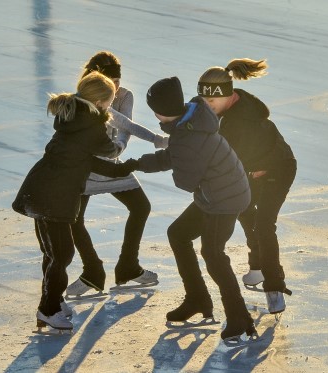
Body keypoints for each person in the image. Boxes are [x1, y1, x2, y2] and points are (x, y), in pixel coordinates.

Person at [106, 76, 256, 342]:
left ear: (161, 111)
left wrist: (167, 161)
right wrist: (136, 164)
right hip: (216, 193)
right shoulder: (189, 121)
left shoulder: (187, 135)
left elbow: (185, 180)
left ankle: (238, 315)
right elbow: (174, 155)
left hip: (225, 199)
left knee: (213, 253)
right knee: (178, 233)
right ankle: (197, 299)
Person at [12, 71, 123, 332]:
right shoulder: (93, 125)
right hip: (55, 196)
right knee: (61, 254)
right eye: (110, 102)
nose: (110, 107)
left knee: (54, 254)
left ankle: (53, 302)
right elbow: (109, 150)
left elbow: (83, 157)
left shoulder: (71, 115)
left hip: (40, 188)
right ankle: (48, 310)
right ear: (100, 103)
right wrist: (119, 140)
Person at [197, 58, 296, 314]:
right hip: (253, 168)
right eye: (204, 101)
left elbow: (228, 160)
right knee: (243, 210)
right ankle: (257, 266)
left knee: (263, 223)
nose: (208, 107)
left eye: (211, 102)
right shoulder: (232, 104)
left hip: (278, 167)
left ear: (228, 95)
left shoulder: (239, 123)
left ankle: (274, 287)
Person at [66, 51, 167, 298]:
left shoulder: (124, 96)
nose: (117, 88)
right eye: (112, 84)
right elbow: (120, 121)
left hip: (110, 160)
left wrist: (118, 149)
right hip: (86, 165)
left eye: (119, 82)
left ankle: (128, 267)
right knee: (73, 219)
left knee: (141, 207)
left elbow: (124, 128)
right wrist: (156, 140)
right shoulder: (87, 98)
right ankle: (92, 272)